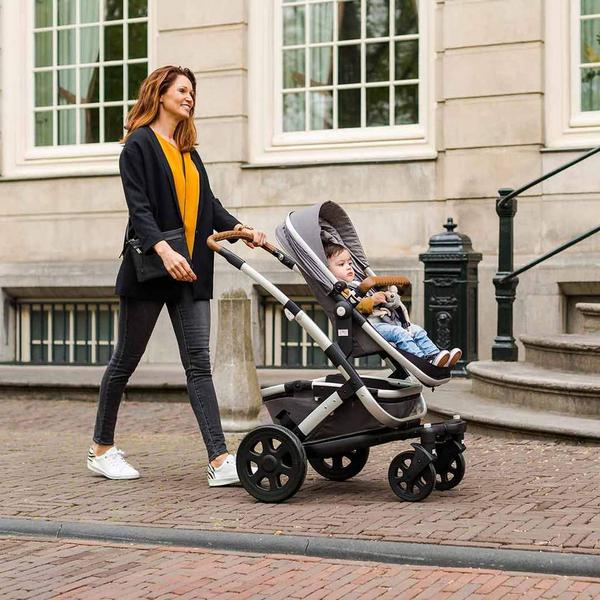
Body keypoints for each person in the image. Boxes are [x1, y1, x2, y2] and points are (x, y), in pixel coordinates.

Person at [87, 65, 267, 485]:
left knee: (199, 364)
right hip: (151, 270)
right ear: (161, 93)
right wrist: (164, 250)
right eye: (182, 90)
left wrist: (241, 229)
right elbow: (139, 209)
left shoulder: (188, 151)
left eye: (192, 92)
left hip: (191, 270)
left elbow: (209, 206)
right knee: (125, 361)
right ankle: (101, 449)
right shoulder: (138, 145)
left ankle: (219, 460)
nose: (189, 97)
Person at [324, 243, 462, 368]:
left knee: (416, 330)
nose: (349, 267)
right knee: (399, 333)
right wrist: (372, 300)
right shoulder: (341, 290)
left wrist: (386, 298)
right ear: (328, 270)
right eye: (341, 264)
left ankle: (436, 357)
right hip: (367, 327)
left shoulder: (357, 283)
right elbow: (354, 306)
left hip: (386, 321)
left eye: (350, 263)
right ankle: (422, 362)